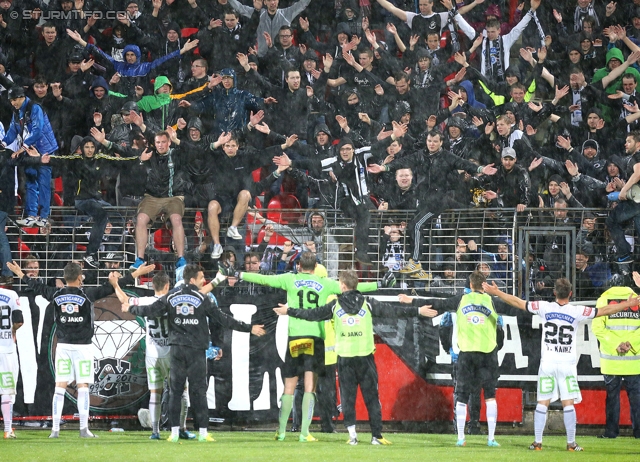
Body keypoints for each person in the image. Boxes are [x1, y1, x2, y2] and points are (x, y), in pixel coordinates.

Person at [219, 251, 395, 441]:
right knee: (310, 387)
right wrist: (380, 284)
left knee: (290, 387)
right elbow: (353, 287)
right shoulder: (325, 283)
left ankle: (282, 431)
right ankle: (305, 433)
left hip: (295, 337)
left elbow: (263, 280)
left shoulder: (289, 279)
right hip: (315, 338)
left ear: (299, 266)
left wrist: (238, 274)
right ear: (315, 266)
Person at [274, 269, 435, 445]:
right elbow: (394, 311)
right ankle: (376, 436)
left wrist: (289, 311)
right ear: (356, 284)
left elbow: (312, 314)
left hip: (345, 358)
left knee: (348, 398)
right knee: (372, 397)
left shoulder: (335, 305)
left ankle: (352, 436)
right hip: (365, 357)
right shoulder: (368, 302)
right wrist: (418, 310)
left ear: (342, 286)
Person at [483, 277, 640, 451]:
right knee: (568, 403)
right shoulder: (577, 311)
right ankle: (571, 443)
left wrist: (496, 292)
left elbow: (518, 302)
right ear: (571, 294)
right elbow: (605, 310)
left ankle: (537, 442)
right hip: (567, 364)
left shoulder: (544, 307)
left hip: (548, 363)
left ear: (554, 292)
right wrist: (627, 303)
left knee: (542, 401)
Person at [5, 260, 154, 438]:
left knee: (59, 387)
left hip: (63, 347)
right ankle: (84, 429)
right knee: (83, 386)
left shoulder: (56, 294)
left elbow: (37, 286)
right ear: (79, 278)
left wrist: (20, 273)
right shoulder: (87, 294)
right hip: (83, 347)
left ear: (65, 278)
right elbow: (111, 286)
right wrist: (136, 274)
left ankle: (55, 429)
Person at [121, 264, 266, 442]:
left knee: (174, 392)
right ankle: (203, 433)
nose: (203, 280)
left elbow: (150, 310)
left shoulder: (171, 296)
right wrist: (249, 328)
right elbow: (223, 319)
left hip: (177, 350)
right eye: (201, 277)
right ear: (192, 279)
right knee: (198, 392)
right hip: (196, 351)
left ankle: (174, 433)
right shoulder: (202, 297)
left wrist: (130, 309)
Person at [401, 271, 510, 447]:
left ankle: (461, 437)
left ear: (470, 284)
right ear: (484, 285)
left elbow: (437, 303)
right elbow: (514, 308)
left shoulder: (460, 300)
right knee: (490, 396)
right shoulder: (492, 302)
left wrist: (411, 300)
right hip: (488, 354)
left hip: (466, 354)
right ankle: (491, 438)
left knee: (462, 395)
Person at [591, 273, 640, 439]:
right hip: (635, 362)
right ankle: (639, 432)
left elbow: (598, 328)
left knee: (612, 398)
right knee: (637, 399)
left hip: (611, 361)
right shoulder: (636, 299)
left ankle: (611, 432)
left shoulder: (603, 300)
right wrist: (630, 344)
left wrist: (615, 344)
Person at [4, 86, 59, 228]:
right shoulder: (17, 112)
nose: (13, 103)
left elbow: (37, 130)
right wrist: (3, 143)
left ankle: (44, 216)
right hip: (29, 151)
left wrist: (22, 148)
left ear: (22, 97)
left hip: (43, 150)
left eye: (15, 100)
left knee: (44, 182)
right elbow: (12, 130)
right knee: (30, 181)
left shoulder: (35, 108)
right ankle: (32, 215)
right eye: (11, 100)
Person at [0, 283, 22, 439]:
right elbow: (19, 321)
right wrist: (12, 331)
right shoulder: (11, 295)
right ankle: (7, 429)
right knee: (7, 389)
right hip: (6, 349)